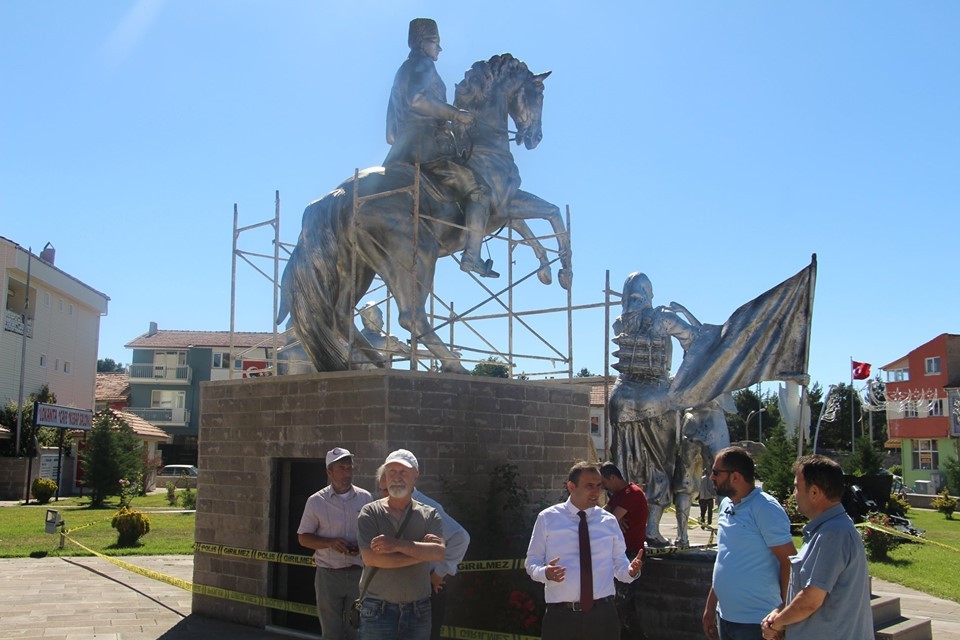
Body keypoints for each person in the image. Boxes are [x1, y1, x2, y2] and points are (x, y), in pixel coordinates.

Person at [384, 17, 498, 279]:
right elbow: (418, 100)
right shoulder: (422, 64)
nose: (439, 49)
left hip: (399, 152)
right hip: (425, 150)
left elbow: (391, 134)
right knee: (479, 190)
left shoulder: (400, 73)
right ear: (424, 43)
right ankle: (472, 257)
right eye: (437, 43)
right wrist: (455, 115)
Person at [609, 272, 702, 545]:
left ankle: (623, 526)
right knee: (660, 465)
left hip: (621, 400)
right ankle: (651, 528)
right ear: (649, 294)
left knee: (625, 464)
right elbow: (695, 339)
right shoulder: (663, 318)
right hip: (657, 398)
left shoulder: (619, 323)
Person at [526, 461, 644, 640]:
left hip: (603, 615)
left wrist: (630, 571)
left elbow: (620, 566)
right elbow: (531, 562)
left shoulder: (609, 521)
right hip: (562, 616)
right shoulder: (548, 518)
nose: (596, 492)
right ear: (571, 487)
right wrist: (545, 573)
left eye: (599, 486)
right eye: (589, 486)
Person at [760, 455, 873, 640]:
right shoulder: (827, 530)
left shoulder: (833, 533)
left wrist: (777, 624)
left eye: (797, 487)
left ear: (814, 493)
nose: (794, 493)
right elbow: (804, 594)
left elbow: (810, 600)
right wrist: (779, 612)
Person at [702, 447, 795, 640]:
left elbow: (789, 562)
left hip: (757, 622)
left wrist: (782, 612)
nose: (711, 477)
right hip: (725, 617)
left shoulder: (765, 508)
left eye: (716, 472)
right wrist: (710, 607)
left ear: (735, 476)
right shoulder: (726, 505)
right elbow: (725, 559)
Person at [357, 449, 445, 640]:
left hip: (418, 610)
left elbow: (438, 553)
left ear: (416, 476)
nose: (397, 478)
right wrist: (421, 552)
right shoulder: (369, 513)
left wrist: (396, 545)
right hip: (377, 610)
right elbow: (371, 558)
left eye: (403, 472)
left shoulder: (430, 514)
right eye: (391, 472)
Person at [376, 464, 471, 640]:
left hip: (426, 590)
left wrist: (439, 573)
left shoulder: (427, 507)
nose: (384, 495)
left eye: (388, 489)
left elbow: (460, 537)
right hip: (393, 592)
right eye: (382, 489)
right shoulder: (380, 510)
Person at [297, 447, 373, 640]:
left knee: (356, 629)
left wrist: (359, 546)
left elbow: (372, 535)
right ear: (329, 472)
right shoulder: (316, 501)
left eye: (349, 468)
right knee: (332, 632)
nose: (347, 473)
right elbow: (303, 538)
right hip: (328, 575)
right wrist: (330, 543)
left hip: (358, 573)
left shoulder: (366, 498)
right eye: (341, 468)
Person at [599, 462, 648, 556]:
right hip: (621, 550)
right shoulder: (618, 494)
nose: (603, 487)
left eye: (604, 482)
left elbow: (609, 520)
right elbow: (602, 512)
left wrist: (615, 517)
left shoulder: (632, 493)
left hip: (631, 551)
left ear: (613, 477)